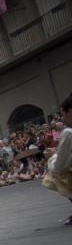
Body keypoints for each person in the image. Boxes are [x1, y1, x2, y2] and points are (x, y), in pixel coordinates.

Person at [42, 92, 72, 225]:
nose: (63, 118)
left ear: (70, 111)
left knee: (54, 176)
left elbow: (60, 165)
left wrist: (53, 156)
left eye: (63, 114)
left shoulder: (68, 132)